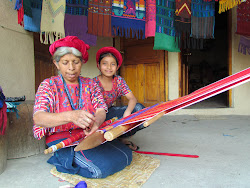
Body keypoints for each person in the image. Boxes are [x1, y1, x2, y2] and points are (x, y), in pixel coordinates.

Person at [33, 36, 132, 179]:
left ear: (82, 62)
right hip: (62, 139)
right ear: (56, 63)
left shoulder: (90, 84)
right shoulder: (48, 85)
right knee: (101, 168)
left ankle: (76, 158)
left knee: (126, 155)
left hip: (87, 135)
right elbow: (38, 118)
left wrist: (96, 123)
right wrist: (70, 116)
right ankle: (62, 159)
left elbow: (101, 109)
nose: (71, 68)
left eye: (76, 62)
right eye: (65, 63)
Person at [93, 46, 145, 151]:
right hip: (96, 117)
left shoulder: (119, 81)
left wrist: (127, 113)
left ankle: (120, 137)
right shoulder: (92, 83)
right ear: (98, 66)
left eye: (113, 64)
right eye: (105, 63)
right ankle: (109, 140)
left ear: (117, 67)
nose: (109, 67)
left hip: (110, 113)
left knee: (140, 110)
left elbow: (132, 99)